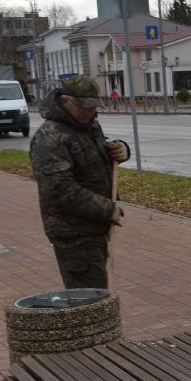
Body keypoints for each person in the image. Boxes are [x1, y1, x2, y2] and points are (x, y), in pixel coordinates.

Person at [30, 76, 130, 289]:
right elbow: (61, 191)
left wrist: (119, 149)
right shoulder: (50, 138)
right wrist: (106, 209)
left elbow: (95, 156)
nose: (92, 113)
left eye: (95, 107)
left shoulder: (86, 124)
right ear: (67, 102)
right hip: (75, 235)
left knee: (100, 297)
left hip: (94, 229)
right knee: (90, 305)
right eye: (86, 108)